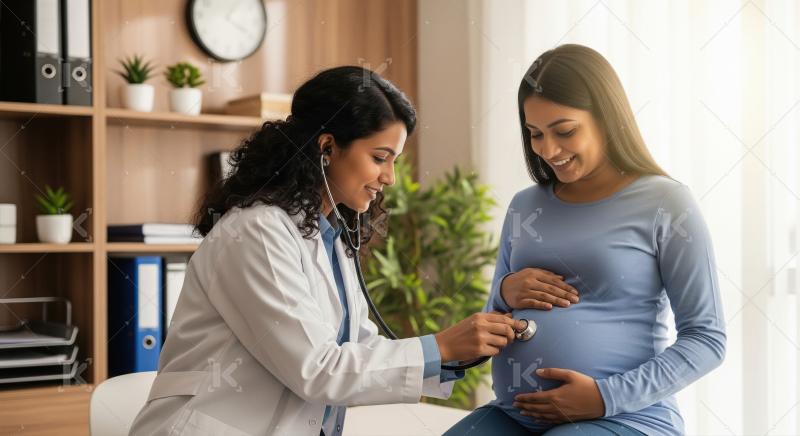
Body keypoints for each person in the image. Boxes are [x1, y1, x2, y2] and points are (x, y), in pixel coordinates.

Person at [128, 66, 535, 436]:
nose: (390, 177)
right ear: (327, 148)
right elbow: (317, 369)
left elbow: (357, 348)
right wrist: (441, 345)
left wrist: (457, 353)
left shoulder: (330, 235)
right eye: (380, 158)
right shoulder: (256, 232)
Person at [445, 44, 727, 436]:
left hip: (626, 418)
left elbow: (707, 339)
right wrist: (507, 293)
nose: (548, 150)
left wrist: (605, 397)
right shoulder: (525, 206)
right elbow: (492, 319)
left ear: (607, 118)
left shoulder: (666, 203)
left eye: (565, 131)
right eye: (535, 134)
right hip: (514, 416)